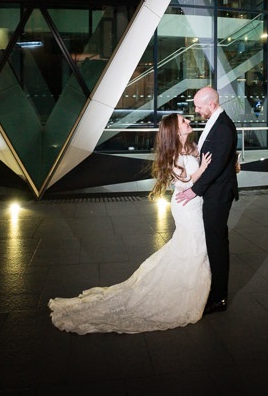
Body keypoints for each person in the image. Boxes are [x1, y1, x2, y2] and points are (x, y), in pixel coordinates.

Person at [48, 113, 212, 334]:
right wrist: (203, 168)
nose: (188, 122)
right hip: (185, 206)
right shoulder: (172, 154)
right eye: (184, 121)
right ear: (175, 130)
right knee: (194, 245)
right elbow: (184, 184)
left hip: (195, 204)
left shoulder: (191, 146)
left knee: (191, 246)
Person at [174, 86, 239, 315]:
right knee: (212, 241)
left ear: (211, 104)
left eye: (199, 106)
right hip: (212, 192)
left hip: (218, 195)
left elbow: (217, 165)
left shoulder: (223, 127)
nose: (196, 110)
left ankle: (219, 296)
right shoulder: (215, 123)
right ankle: (212, 289)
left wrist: (195, 191)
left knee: (217, 243)